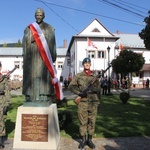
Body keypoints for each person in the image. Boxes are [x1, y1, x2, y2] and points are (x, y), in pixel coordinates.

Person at [22, 8, 57, 102]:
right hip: (32, 57)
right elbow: (25, 42)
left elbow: (52, 42)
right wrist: (33, 38)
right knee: (32, 76)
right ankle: (31, 96)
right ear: (35, 16)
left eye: (40, 15)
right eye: (37, 15)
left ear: (44, 16)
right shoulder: (29, 28)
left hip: (44, 58)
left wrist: (52, 55)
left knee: (43, 77)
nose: (39, 17)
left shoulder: (49, 28)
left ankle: (44, 96)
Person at [68, 57, 101, 149]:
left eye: (88, 63)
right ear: (83, 65)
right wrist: (79, 93)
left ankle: (89, 140)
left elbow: (99, 90)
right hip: (82, 102)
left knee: (92, 121)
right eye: (85, 63)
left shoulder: (94, 77)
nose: (87, 64)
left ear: (90, 65)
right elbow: (71, 86)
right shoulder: (78, 76)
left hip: (93, 102)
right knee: (83, 122)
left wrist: (99, 102)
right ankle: (83, 140)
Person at [0, 62, 11, 148]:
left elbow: (7, 91)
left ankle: (0, 140)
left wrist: (7, 104)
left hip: (1, 101)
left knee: (1, 120)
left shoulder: (4, 79)